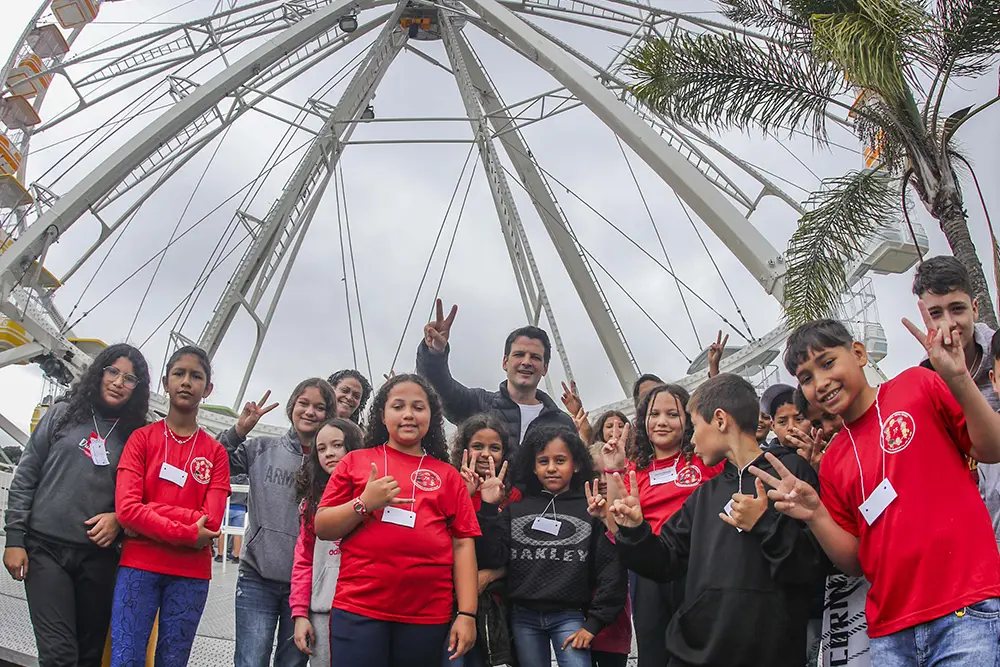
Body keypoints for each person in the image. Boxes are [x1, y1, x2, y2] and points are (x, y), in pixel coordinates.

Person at [763, 316, 1000, 666]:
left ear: (858, 353)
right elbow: (856, 561)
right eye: (807, 378)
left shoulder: (916, 386)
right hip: (890, 634)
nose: (821, 383)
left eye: (827, 362)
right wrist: (815, 515)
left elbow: (991, 449)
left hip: (964, 609)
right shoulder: (833, 461)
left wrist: (960, 379)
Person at [607, 373, 826, 666]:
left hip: (772, 651)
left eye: (695, 426)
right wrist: (635, 530)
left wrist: (765, 524)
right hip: (699, 653)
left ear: (720, 420)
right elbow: (665, 560)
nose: (692, 438)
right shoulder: (704, 495)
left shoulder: (788, 472)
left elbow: (812, 565)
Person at [314, 374, 480, 667]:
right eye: (398, 406)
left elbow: (463, 545)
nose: (408, 414)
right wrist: (364, 503)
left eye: (418, 407)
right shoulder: (355, 462)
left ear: (432, 415)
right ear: (382, 414)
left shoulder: (448, 475)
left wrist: (467, 614)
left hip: (428, 615)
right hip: (359, 609)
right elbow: (323, 526)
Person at [3, 344, 151, 667]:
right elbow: (26, 475)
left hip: (98, 558)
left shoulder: (137, 437)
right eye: (112, 371)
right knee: (59, 656)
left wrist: (119, 519)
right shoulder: (62, 414)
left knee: (88, 657)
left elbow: (145, 497)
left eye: (129, 379)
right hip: (45, 550)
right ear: (99, 373)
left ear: (137, 390)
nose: (117, 382)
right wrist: (14, 539)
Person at [111, 345, 230, 666]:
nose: (186, 382)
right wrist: (188, 531)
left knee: (173, 661)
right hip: (138, 567)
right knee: (126, 658)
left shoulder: (216, 453)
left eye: (196, 376)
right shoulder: (142, 439)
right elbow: (126, 510)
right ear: (165, 382)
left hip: (190, 575)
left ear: (208, 389)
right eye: (179, 374)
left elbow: (213, 521)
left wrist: (150, 514)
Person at [478, 425, 627, 667]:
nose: (551, 468)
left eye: (560, 460)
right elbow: (493, 557)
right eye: (543, 461)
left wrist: (594, 623)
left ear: (576, 464)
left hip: (570, 615)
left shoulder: (591, 509)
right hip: (523, 616)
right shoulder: (517, 509)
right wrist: (488, 508)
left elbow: (611, 570)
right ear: (533, 468)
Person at [601, 384, 722, 667]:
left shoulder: (706, 460)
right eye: (654, 414)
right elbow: (616, 529)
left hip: (700, 570)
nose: (661, 422)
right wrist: (613, 468)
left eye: (672, 414)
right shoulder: (634, 470)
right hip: (649, 575)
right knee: (654, 655)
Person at [220, 379, 336, 667]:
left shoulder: (333, 463)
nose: (310, 412)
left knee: (292, 663)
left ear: (329, 414)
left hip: (306, 586)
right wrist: (238, 432)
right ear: (292, 406)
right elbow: (210, 461)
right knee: (250, 660)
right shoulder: (260, 448)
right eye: (303, 403)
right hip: (257, 577)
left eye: (319, 407)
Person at [913, 255, 1000, 545]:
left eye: (957, 309)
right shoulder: (924, 379)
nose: (949, 324)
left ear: (975, 309)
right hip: (973, 538)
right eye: (936, 314)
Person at [416, 299, 575, 457]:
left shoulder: (561, 423)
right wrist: (434, 354)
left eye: (535, 357)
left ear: (545, 368)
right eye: (519, 355)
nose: (526, 362)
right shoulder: (478, 404)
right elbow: (439, 390)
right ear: (505, 362)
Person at [290, 417, 365, 667]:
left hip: (364, 609)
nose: (329, 454)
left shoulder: (372, 496)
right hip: (322, 609)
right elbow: (303, 560)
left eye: (337, 445)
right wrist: (300, 613)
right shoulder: (311, 504)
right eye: (321, 449)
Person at [452, 414, 520, 667]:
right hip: (452, 601)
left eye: (495, 448)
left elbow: (512, 555)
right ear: (465, 448)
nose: (485, 454)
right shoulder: (450, 486)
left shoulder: (514, 496)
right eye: (477, 446)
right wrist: (464, 499)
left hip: (498, 607)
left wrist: (491, 575)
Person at [587, 444, 632, 667]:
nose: (603, 480)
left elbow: (624, 542)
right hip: (578, 625)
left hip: (614, 629)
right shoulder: (579, 513)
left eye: (608, 473)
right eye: (596, 474)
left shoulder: (628, 511)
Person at [760, 383, 810, 450]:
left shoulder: (824, 454)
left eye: (799, 419)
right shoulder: (765, 459)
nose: (791, 427)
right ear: (773, 426)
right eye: (782, 422)